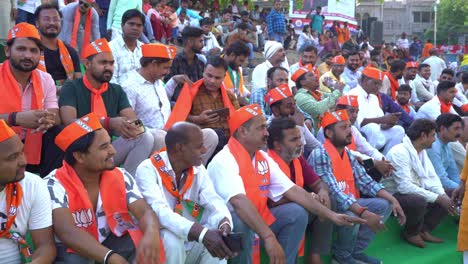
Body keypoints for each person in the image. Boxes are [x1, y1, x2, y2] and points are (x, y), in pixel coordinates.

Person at [208, 104, 365, 264]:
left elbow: (293, 191)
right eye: (261, 128)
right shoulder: (224, 160)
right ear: (243, 131)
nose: (266, 133)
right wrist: (269, 237)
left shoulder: (261, 157)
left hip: (260, 221)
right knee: (241, 220)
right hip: (228, 231)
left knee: (295, 212)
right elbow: (239, 203)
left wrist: (333, 216)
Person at [46, 113, 163, 263]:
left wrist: (151, 233)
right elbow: (68, 232)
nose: (113, 151)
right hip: (71, 249)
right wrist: (110, 258)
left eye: (110, 143)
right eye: (104, 147)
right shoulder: (53, 184)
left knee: (143, 240)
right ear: (79, 157)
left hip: (108, 241)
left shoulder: (119, 175)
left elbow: (144, 211)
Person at [308, 110, 406, 264]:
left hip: (348, 202)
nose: (349, 130)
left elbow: (366, 181)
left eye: (349, 126)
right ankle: (341, 256)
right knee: (350, 211)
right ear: (329, 132)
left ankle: (354, 251)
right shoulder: (320, 153)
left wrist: (393, 199)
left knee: (383, 204)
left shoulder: (347, 153)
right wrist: (364, 213)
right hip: (327, 207)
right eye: (343, 127)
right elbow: (334, 191)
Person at [135, 122, 236, 264]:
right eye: (199, 146)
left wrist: (224, 223)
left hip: (190, 240)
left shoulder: (198, 169)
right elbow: (160, 213)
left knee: (216, 236)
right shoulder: (147, 169)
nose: (205, 150)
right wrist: (201, 234)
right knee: (172, 239)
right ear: (180, 148)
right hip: (160, 245)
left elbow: (213, 200)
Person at [58, 38, 154, 176]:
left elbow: (136, 123)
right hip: (82, 153)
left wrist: (127, 127)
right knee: (146, 137)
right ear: (87, 64)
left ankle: (129, 183)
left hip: (108, 149)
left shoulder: (116, 90)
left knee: (157, 136)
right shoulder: (71, 87)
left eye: (111, 63)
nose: (108, 67)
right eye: (103, 63)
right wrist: (107, 123)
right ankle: (127, 184)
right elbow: (69, 122)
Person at [121, 43, 218, 165]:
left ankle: (192, 174)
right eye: (165, 68)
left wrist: (173, 81)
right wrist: (155, 131)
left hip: (170, 134)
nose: (168, 72)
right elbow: (129, 121)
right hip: (150, 138)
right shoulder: (129, 86)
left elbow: (159, 103)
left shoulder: (157, 82)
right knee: (160, 136)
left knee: (210, 135)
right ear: (153, 64)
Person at [267, 117, 332, 264]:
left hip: (294, 210)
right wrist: (307, 198)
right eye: (294, 139)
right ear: (277, 145)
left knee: (328, 199)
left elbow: (318, 183)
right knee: (296, 211)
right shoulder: (267, 161)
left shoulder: (297, 158)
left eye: (300, 138)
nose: (301, 143)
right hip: (269, 218)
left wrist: (322, 192)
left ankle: (315, 256)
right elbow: (269, 203)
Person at [381, 119, 455, 248]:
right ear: (423, 136)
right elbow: (404, 187)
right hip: (393, 194)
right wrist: (438, 198)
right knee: (418, 200)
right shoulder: (399, 152)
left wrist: (442, 195)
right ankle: (410, 233)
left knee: (450, 193)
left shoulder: (421, 151)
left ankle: (424, 230)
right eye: (433, 135)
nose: (434, 139)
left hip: (412, 190)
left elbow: (432, 178)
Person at [0, 23, 62, 176]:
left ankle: (48, 184)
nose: (28, 55)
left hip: (33, 143)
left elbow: (55, 115)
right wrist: (16, 118)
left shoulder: (45, 79)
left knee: (59, 133)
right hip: (3, 143)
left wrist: (46, 119)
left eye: (34, 50)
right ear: (7, 51)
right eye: (21, 49)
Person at [0, 120, 55, 263]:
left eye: (22, 152)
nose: (24, 161)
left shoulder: (33, 185)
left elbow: (45, 246)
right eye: (13, 157)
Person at [164, 56, 239, 155]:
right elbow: (178, 117)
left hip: (227, 142)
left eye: (217, 78)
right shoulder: (191, 92)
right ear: (203, 72)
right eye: (209, 76)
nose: (212, 81)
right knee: (217, 135)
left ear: (224, 77)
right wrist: (197, 119)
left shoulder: (230, 96)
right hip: (201, 141)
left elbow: (237, 120)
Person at [348, 67, 405, 154]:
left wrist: (389, 122)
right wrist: (382, 120)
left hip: (376, 133)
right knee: (372, 128)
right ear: (366, 80)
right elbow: (358, 124)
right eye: (375, 83)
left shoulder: (374, 97)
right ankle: (371, 160)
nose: (378, 87)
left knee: (399, 130)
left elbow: (381, 123)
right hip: (360, 134)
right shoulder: (353, 94)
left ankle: (385, 158)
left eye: (379, 84)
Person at [265, 84, 322, 155]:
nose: (294, 109)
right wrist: (299, 127)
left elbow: (316, 147)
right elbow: (297, 154)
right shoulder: (268, 130)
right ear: (275, 110)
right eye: (289, 106)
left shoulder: (294, 120)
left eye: (294, 104)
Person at [35, 4, 82, 85]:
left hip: (66, 96)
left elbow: (79, 84)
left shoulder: (70, 52)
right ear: (37, 23)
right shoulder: (31, 51)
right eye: (46, 19)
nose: (52, 23)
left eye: (56, 19)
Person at [293, 65, 344, 131]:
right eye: (311, 75)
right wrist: (337, 91)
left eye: (315, 74)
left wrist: (332, 86)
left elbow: (339, 99)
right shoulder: (300, 96)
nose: (316, 76)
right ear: (302, 82)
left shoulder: (318, 93)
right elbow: (318, 109)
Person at [164, 26, 205, 102]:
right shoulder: (173, 61)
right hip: (177, 105)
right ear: (190, 42)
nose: (203, 45)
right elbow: (168, 86)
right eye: (200, 41)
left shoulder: (200, 63)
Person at [427, 113, 463, 191]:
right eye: (456, 128)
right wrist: (462, 190)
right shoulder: (433, 146)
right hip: (432, 187)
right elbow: (441, 179)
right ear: (443, 129)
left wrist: (462, 188)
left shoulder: (447, 144)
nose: (459, 132)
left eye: (460, 128)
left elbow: (453, 173)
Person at [108, 9, 145, 85]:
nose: (135, 28)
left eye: (139, 25)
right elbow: (112, 80)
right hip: (120, 94)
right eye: (131, 24)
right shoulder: (111, 48)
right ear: (122, 26)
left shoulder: (144, 49)